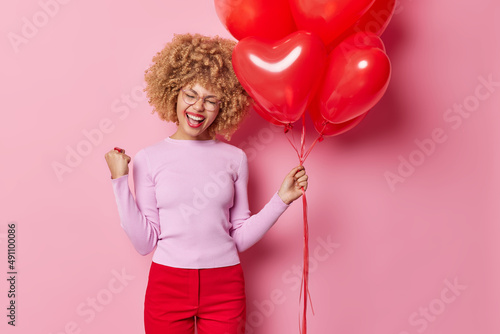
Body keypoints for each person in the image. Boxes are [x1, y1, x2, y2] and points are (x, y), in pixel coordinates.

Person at [104, 33, 308, 334]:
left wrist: (281, 200)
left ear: (224, 105)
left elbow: (237, 237)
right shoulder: (149, 159)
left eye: (211, 99)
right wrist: (119, 181)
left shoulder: (235, 159)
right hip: (167, 285)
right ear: (173, 92)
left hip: (224, 286)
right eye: (191, 94)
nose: (199, 107)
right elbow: (144, 242)